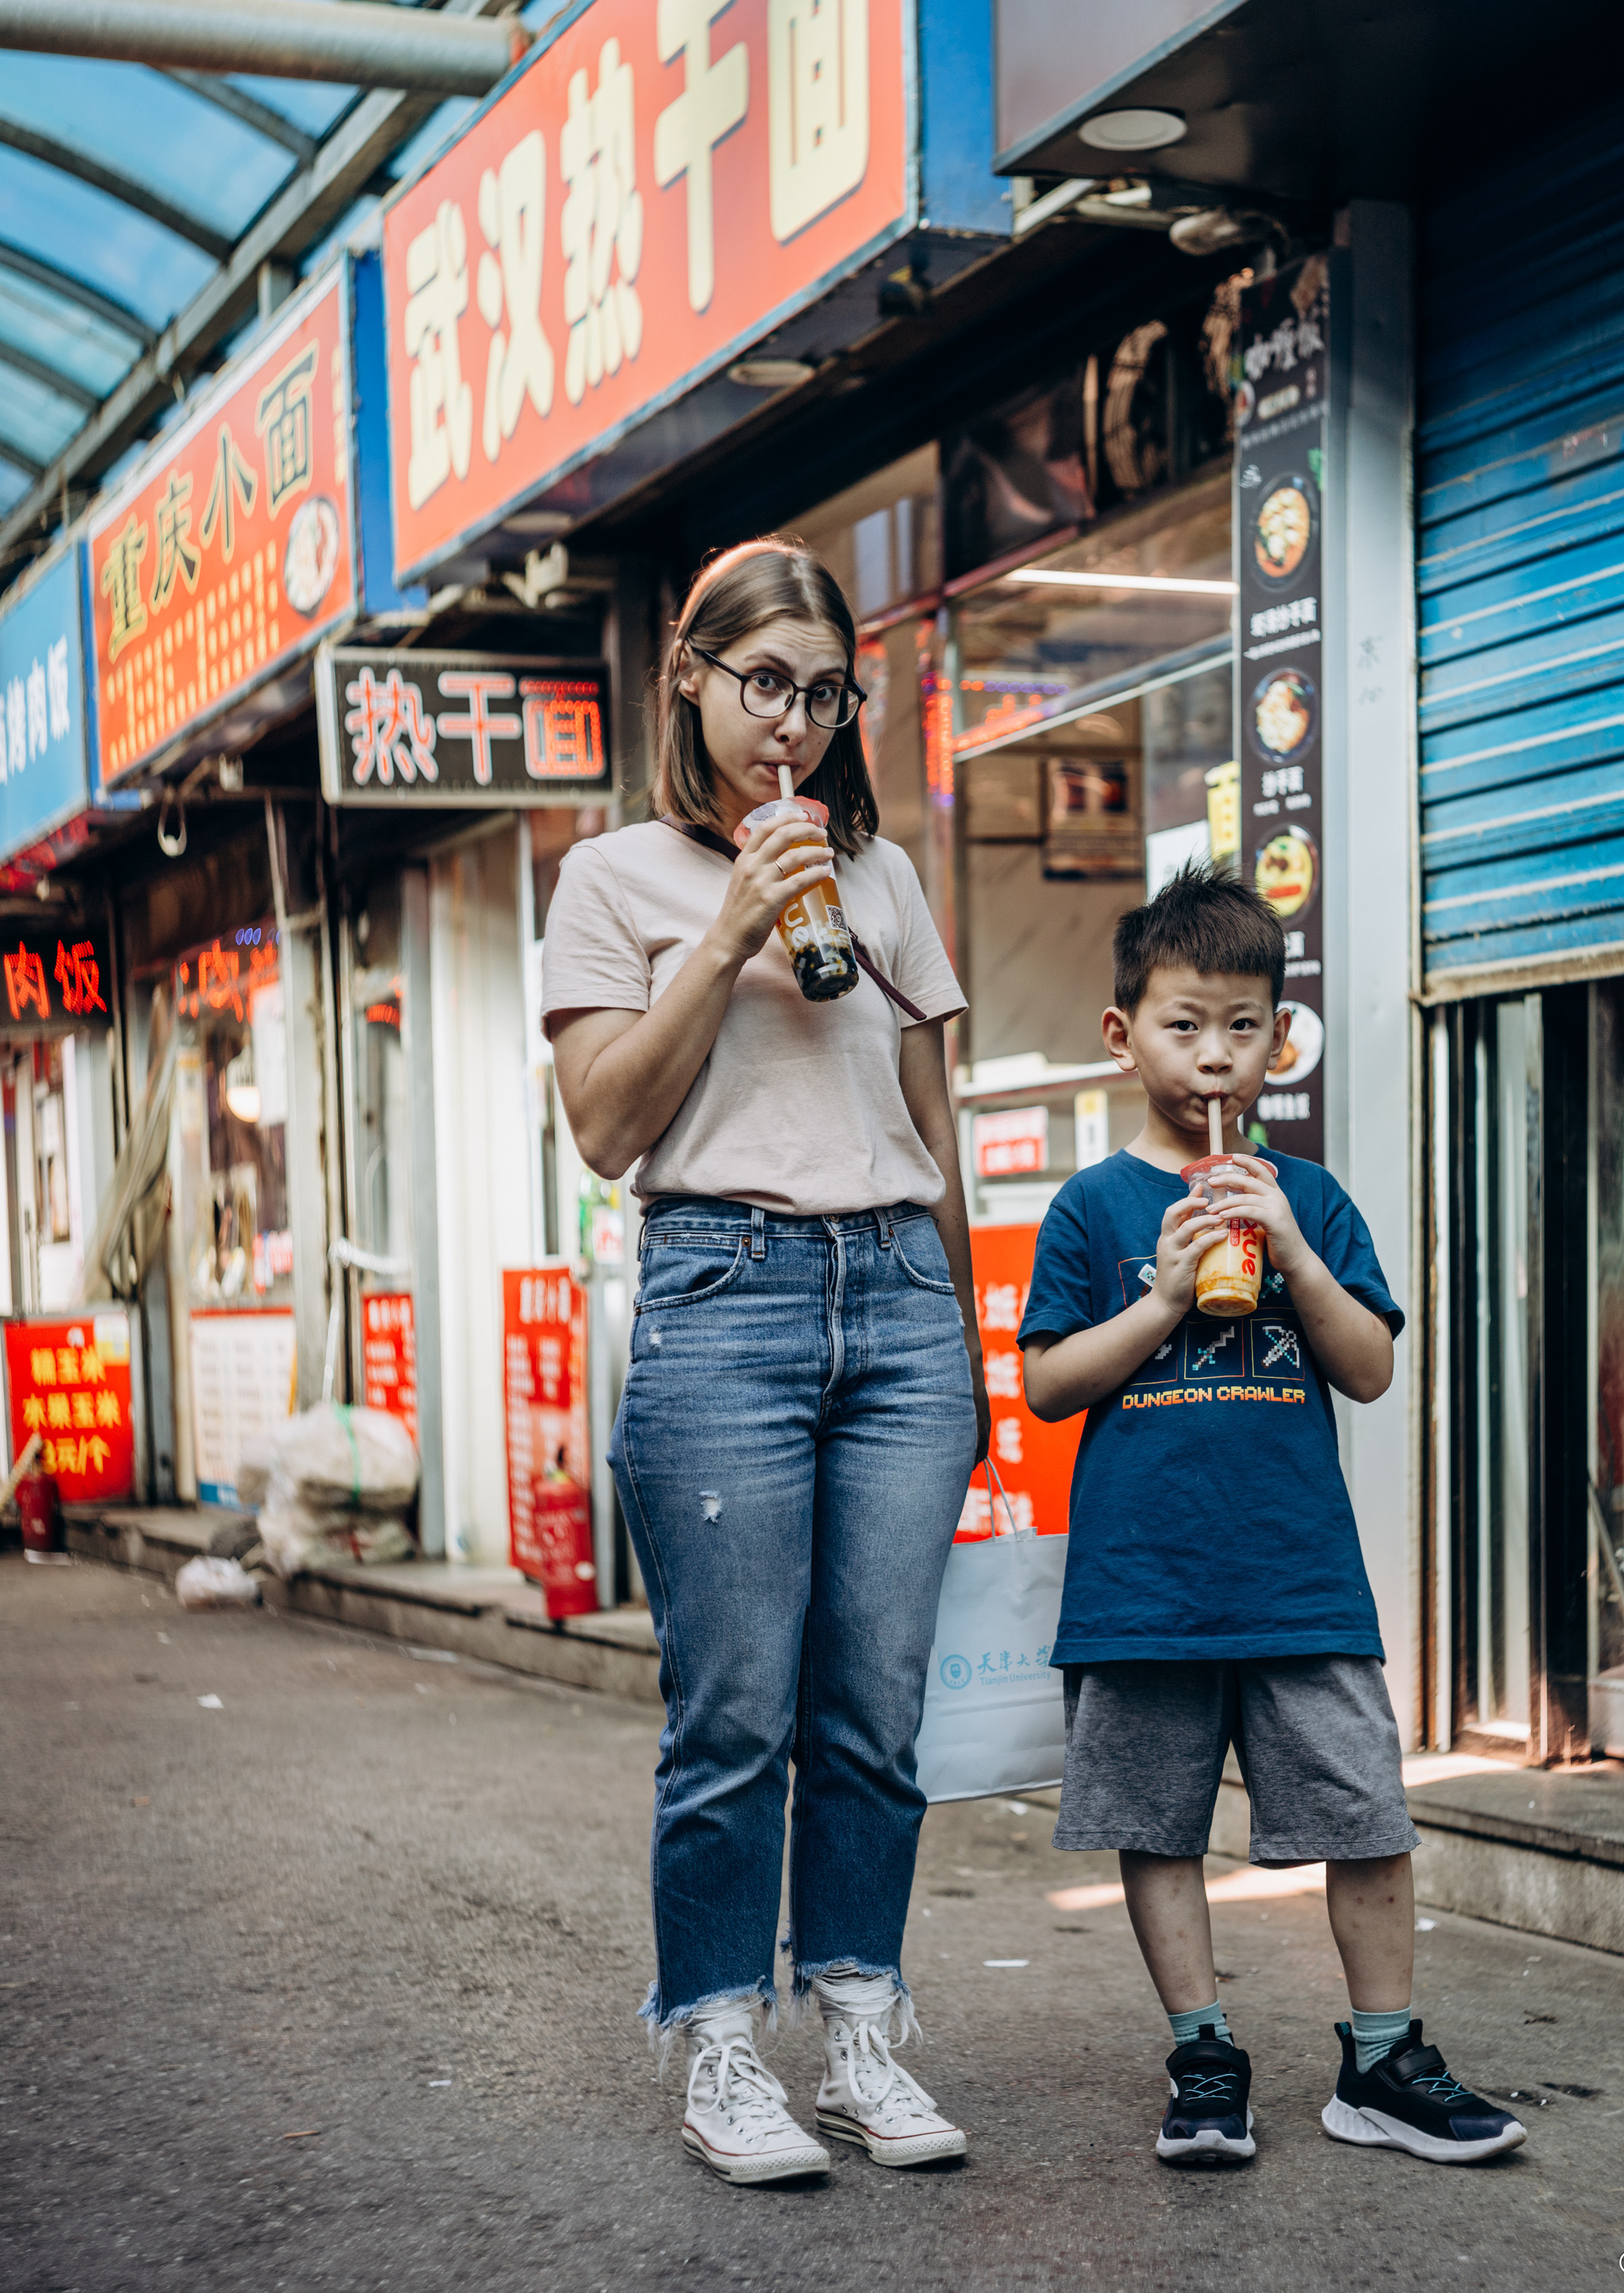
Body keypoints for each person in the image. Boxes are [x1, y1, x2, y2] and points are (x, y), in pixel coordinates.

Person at [544, 538, 986, 2185]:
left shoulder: (879, 876)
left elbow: (933, 1121)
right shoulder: (611, 881)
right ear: (690, 676)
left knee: (873, 1709)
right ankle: (721, 2044)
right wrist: (728, 922)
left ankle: (860, 2025)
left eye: (823, 691)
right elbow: (603, 1125)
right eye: (764, 684)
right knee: (731, 1710)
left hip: (892, 1298)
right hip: (717, 1294)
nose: (790, 720)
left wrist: (959, 1336)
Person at [1017, 865, 1524, 2169]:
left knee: (1367, 1815)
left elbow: (1368, 1367)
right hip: (1143, 1583)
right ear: (1124, 1035)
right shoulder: (1092, 1207)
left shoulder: (1314, 1196)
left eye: (1244, 1025)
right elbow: (1047, 1383)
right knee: (1155, 1823)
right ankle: (1204, 2053)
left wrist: (1291, 1248)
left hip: (1300, 1574)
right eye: (1185, 1025)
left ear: (1278, 1041)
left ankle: (1381, 2059)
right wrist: (1165, 1296)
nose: (1215, 1055)